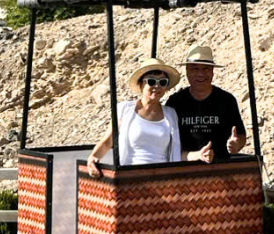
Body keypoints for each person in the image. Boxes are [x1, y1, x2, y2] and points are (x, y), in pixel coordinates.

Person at [86, 57, 215, 177]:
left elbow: (176, 153)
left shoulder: (171, 114)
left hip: (161, 180)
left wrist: (199, 155)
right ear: (141, 84)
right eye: (152, 81)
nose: (157, 86)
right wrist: (93, 157)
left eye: (162, 82)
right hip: (130, 178)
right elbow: (108, 141)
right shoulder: (124, 110)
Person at [167, 44, 247, 162]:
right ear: (187, 71)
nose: (201, 74)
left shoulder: (226, 100)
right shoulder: (175, 102)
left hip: (221, 166)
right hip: (183, 167)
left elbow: (240, 135)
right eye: (195, 69)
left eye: (206, 69)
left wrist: (236, 144)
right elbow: (166, 142)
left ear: (212, 71)